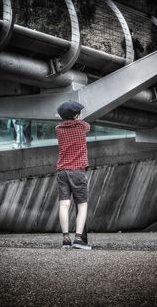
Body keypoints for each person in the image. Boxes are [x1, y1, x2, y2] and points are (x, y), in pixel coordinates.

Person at [55, 101, 92, 250]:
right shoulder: (82, 126)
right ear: (76, 115)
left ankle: (65, 240)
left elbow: (66, 122)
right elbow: (87, 126)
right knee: (82, 205)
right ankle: (78, 239)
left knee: (64, 205)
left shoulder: (58, 128)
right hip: (77, 170)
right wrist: (78, 119)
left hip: (62, 171)